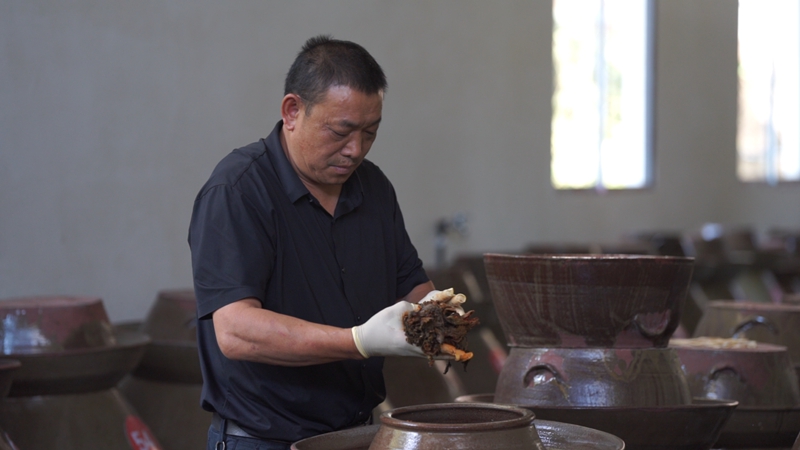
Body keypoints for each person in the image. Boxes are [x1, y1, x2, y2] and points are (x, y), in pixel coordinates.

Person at [188, 35, 450, 449]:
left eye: (370, 133)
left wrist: (440, 317)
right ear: (293, 111)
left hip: (359, 433)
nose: (355, 150)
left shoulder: (373, 187)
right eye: (341, 131)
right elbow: (236, 330)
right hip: (264, 440)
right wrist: (358, 341)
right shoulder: (238, 191)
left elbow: (411, 284)